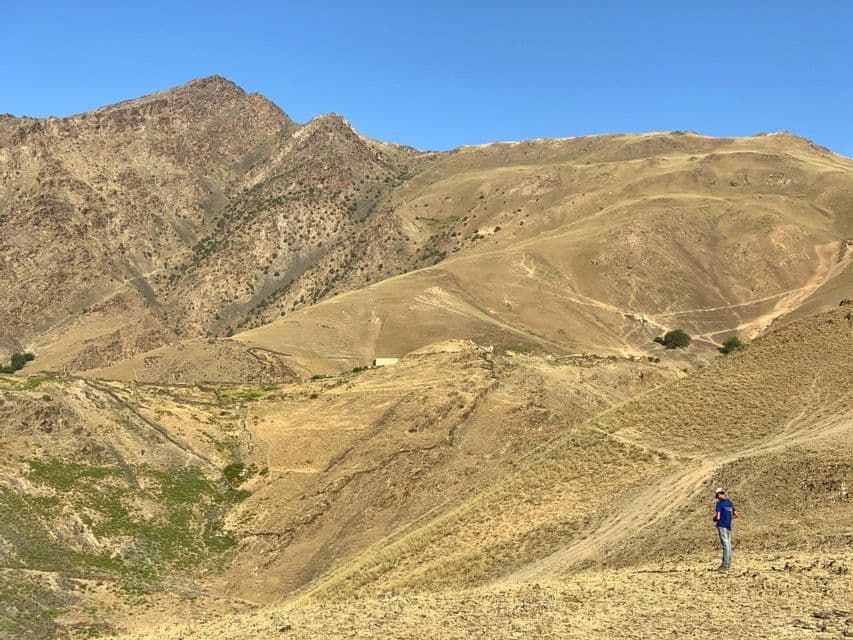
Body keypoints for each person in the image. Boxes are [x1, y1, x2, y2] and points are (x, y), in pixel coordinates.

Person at [713, 488, 738, 571]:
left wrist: (715, 519)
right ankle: (728, 563)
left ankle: (725, 565)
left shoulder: (719, 504)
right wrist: (728, 518)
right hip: (728, 526)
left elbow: (718, 517)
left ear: (719, 495)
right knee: (728, 545)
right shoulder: (730, 503)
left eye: (717, 496)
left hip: (722, 525)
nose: (717, 497)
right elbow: (736, 515)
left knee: (725, 545)